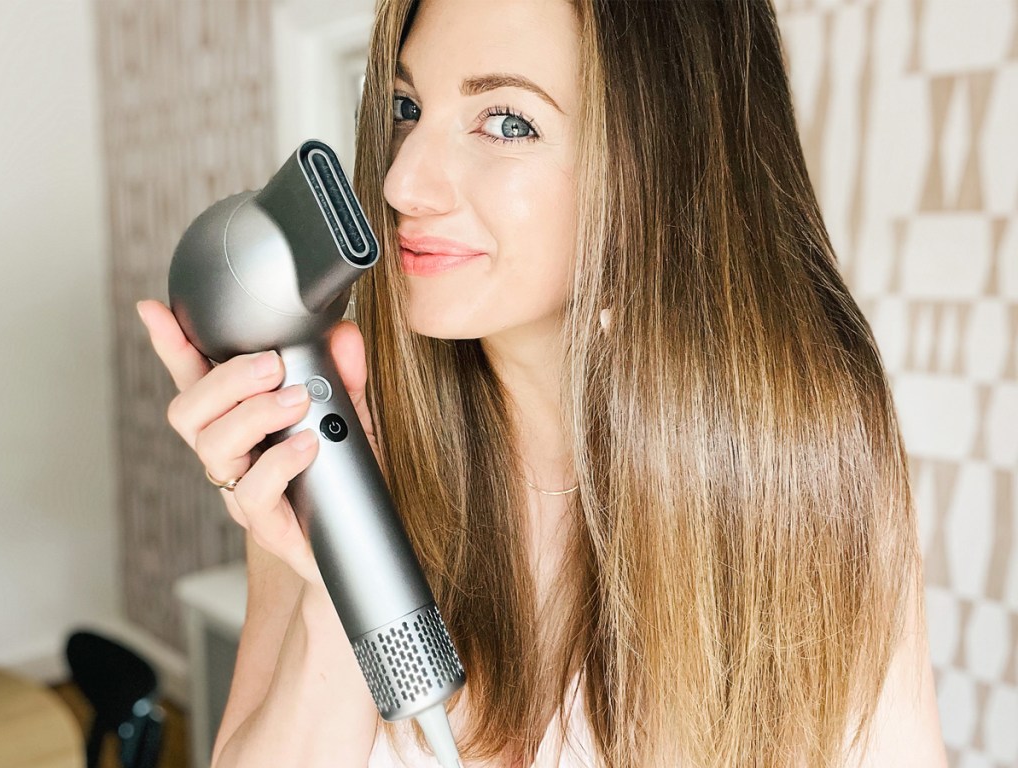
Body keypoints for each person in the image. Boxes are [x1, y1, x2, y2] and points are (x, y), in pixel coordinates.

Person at [137, 0, 948, 765]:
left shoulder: (807, 467)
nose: (400, 183)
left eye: (507, 122)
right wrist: (338, 583)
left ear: (664, 164)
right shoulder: (330, 443)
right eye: (405, 108)